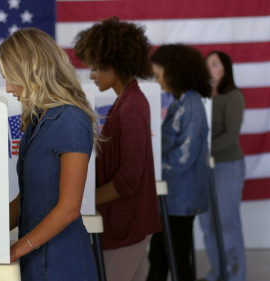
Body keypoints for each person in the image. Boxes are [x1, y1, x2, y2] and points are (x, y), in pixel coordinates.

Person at [0, 27, 101, 281]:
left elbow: (69, 209)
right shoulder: (37, 120)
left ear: (32, 72)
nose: (8, 88)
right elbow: (25, 199)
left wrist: (13, 251)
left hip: (63, 263)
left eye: (11, 78)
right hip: (35, 260)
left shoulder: (71, 119)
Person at [74, 17, 162, 281]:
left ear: (116, 62)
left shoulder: (132, 107)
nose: (91, 74)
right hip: (129, 223)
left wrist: (82, 203)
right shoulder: (126, 102)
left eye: (97, 67)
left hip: (129, 224)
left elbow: (129, 179)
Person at [147, 44, 212, 281]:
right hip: (171, 196)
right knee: (160, 257)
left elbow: (184, 155)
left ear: (174, 72)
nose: (157, 81)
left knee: (176, 259)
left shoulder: (192, 106)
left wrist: (152, 170)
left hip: (181, 197)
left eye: (158, 75)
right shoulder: (180, 102)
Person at [198, 51, 246, 281]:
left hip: (227, 166)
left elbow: (231, 136)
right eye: (207, 64)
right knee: (208, 225)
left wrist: (202, 151)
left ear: (225, 69)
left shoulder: (233, 96)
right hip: (204, 168)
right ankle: (218, 273)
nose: (210, 68)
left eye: (214, 64)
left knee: (227, 223)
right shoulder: (201, 96)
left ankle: (235, 276)